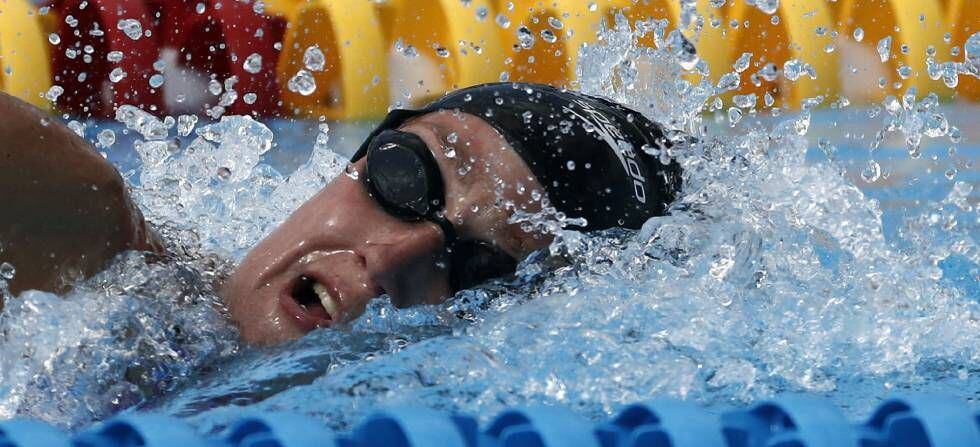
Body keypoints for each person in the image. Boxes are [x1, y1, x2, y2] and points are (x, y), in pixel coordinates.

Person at [0, 82, 683, 345]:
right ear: (358, 156)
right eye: (407, 176)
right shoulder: (67, 223)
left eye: (477, 271)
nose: (388, 258)